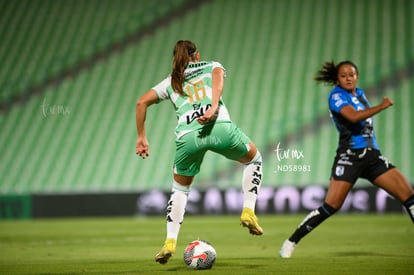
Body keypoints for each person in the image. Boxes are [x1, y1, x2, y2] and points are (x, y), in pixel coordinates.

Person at [135, 40, 264, 264]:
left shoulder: (170, 81)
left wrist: (141, 137)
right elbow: (218, 80)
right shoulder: (212, 65)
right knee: (254, 159)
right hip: (219, 128)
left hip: (188, 138)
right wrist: (213, 107)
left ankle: (170, 242)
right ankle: (248, 211)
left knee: (180, 189)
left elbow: (140, 103)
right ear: (197, 55)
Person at [279, 60, 414, 258]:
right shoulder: (336, 96)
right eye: (344, 75)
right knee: (331, 206)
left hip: (372, 157)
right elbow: (353, 117)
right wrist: (382, 106)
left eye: (351, 74)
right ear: (337, 79)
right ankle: (291, 242)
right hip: (349, 157)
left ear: (357, 76)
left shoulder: (359, 94)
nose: (348, 78)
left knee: (409, 196)